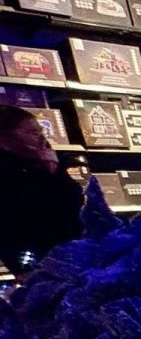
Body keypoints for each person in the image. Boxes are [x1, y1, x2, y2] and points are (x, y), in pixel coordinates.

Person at [0, 105, 83, 278]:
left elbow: (74, 201)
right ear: (5, 139)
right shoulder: (7, 171)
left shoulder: (45, 160)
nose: (42, 137)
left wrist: (54, 171)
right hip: (36, 260)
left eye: (40, 131)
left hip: (75, 252)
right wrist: (23, 269)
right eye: (32, 132)